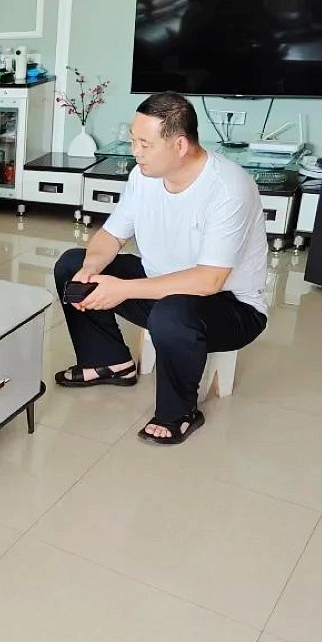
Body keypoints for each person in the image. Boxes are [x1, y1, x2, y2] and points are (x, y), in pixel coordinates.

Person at [52, 92, 269, 445]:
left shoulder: (229, 188)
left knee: (172, 314)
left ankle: (179, 412)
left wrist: (121, 290)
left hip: (231, 305)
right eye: (133, 141)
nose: (135, 152)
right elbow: (111, 235)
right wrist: (90, 268)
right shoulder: (144, 176)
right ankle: (108, 361)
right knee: (71, 265)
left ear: (179, 145)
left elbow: (209, 280)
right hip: (159, 286)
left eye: (145, 144)